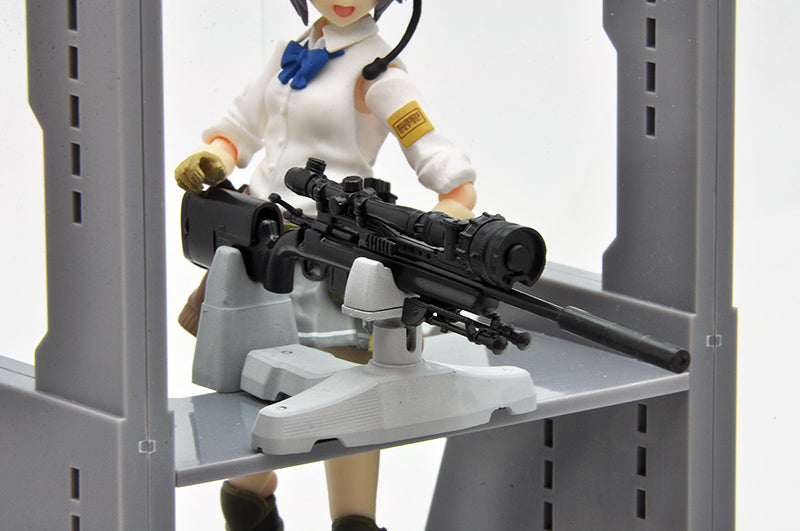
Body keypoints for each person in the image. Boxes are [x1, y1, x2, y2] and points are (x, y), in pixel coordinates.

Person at [174, 1, 476, 529]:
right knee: (244, 380)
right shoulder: (289, 52)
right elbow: (241, 126)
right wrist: (216, 157)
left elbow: (436, 157)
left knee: (349, 399)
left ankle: (354, 520)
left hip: (328, 253)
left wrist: (450, 208)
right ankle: (249, 496)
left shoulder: (377, 72)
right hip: (258, 243)